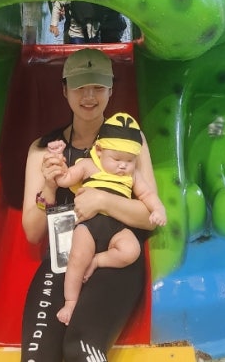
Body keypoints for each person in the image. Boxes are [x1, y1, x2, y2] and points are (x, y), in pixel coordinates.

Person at [21, 48, 158, 362]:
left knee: (80, 348)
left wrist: (103, 200)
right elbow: (32, 232)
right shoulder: (43, 150)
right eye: (80, 86)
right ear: (65, 90)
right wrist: (49, 186)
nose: (89, 96)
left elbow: (150, 215)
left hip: (115, 258)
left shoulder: (129, 142)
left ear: (110, 90)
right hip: (63, 259)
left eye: (98, 87)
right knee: (36, 358)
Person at [51, 112, 166, 325]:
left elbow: (148, 195)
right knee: (77, 257)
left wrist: (158, 210)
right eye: (117, 159)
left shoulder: (132, 176)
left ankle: (98, 260)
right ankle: (70, 301)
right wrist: (58, 164)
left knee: (131, 250)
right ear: (99, 151)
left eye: (129, 161)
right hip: (89, 225)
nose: (123, 166)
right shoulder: (88, 165)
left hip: (118, 228)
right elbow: (65, 179)